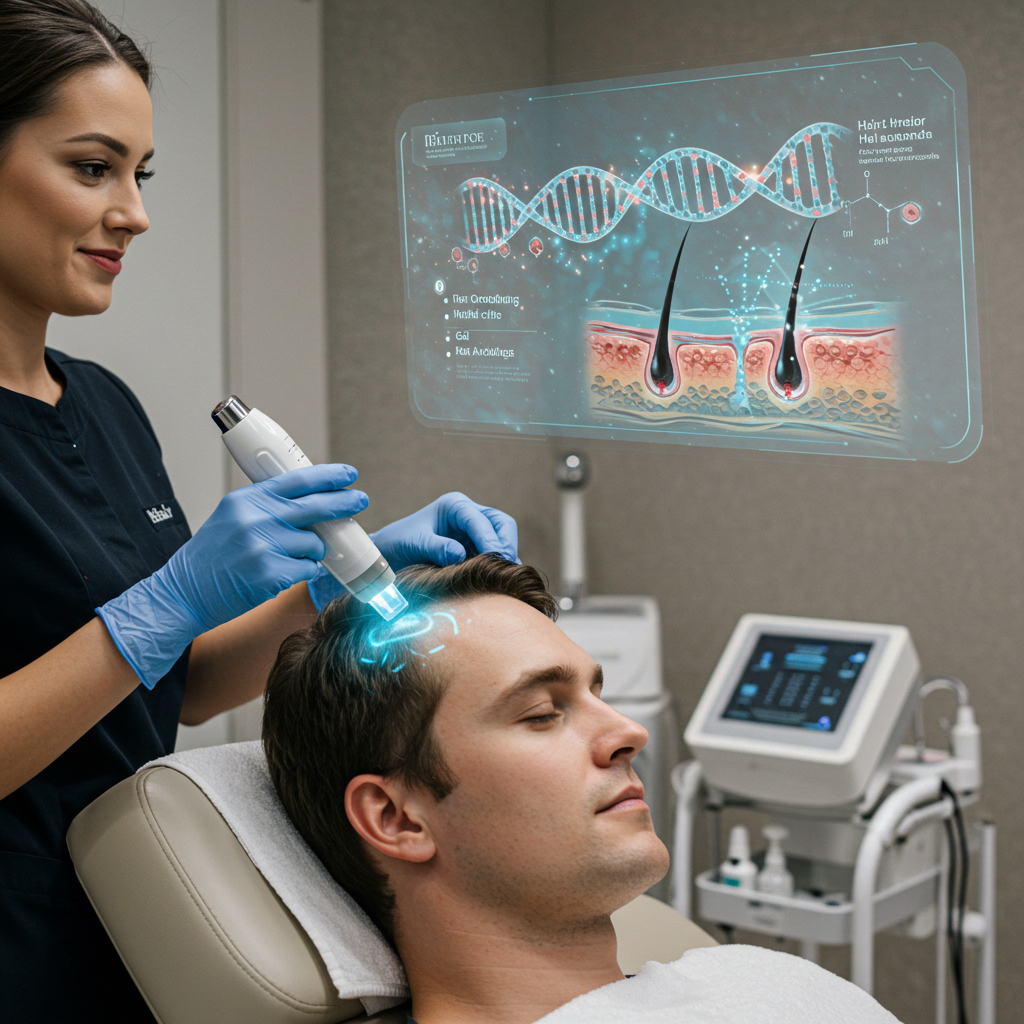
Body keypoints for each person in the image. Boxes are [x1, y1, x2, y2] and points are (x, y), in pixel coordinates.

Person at [0, 3, 518, 1021]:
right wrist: (161, 603)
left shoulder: (102, 405)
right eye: (93, 168)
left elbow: (179, 686)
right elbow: (146, 633)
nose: (134, 214)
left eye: (139, 176)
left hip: (139, 931)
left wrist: (316, 594)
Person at [263, 556, 901, 1024]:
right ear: (397, 818)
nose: (630, 732)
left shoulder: (760, 978)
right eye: (542, 713)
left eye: (598, 693)